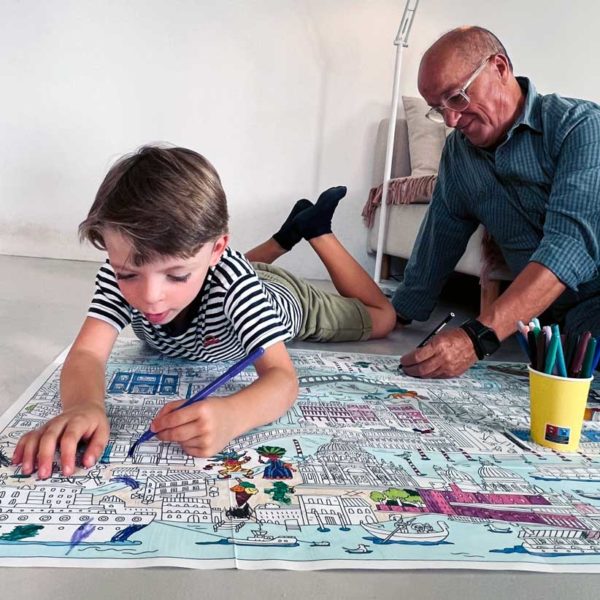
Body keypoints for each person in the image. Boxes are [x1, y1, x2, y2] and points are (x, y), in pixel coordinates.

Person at [12, 145, 396, 479]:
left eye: (175, 275)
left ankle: (316, 231)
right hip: (227, 275)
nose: (150, 298)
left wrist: (233, 415)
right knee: (219, 275)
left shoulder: (233, 283)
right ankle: (282, 238)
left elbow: (282, 378)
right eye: (129, 273)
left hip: (288, 299)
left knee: (384, 318)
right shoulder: (123, 275)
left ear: (214, 250)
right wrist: (84, 406)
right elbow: (87, 353)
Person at [394, 26, 600, 379]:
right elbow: (439, 238)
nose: (451, 120)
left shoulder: (580, 127)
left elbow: (569, 247)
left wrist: (476, 338)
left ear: (500, 68)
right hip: (557, 324)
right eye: (437, 109)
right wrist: (393, 313)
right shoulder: (458, 155)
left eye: (456, 97)